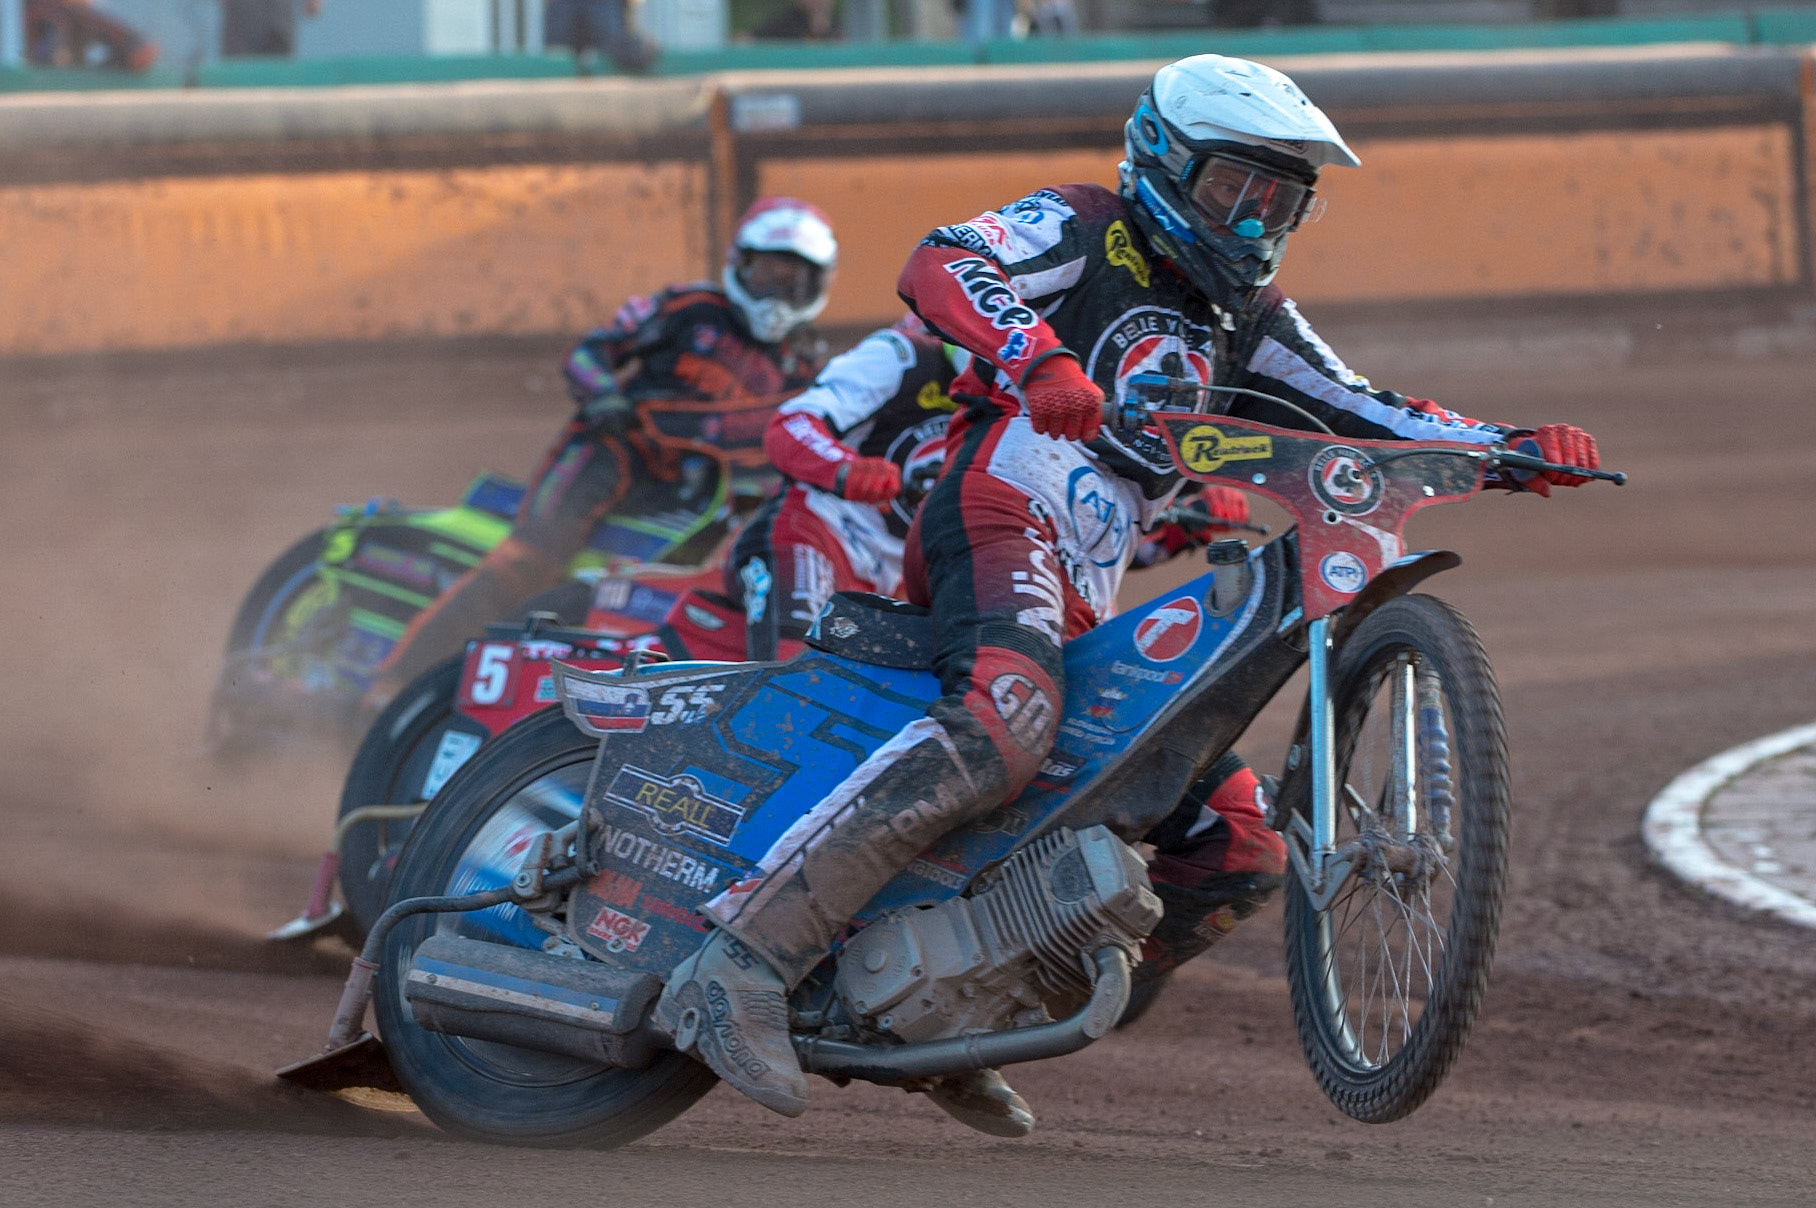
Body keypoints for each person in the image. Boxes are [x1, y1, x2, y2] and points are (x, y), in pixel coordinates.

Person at [653, 54, 1602, 1133]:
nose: (1252, 220)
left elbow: (1357, 405)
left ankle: (973, 1009)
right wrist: (1039, 353)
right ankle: (736, 960)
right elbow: (943, 261)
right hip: (1000, 500)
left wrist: (1508, 445)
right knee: (1008, 719)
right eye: (1232, 189)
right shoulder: (1087, 222)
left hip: (1089, 575)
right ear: (1162, 160)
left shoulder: (1250, 316)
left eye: (1278, 200)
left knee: (1237, 842)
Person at [361, 198, 837, 713]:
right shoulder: (689, 308)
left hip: (695, 497)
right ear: (739, 263)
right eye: (768, 273)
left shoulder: (805, 364)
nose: (779, 292)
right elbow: (589, 353)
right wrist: (606, 397)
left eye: (795, 280)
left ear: (819, 286)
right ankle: (391, 684)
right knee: (530, 558)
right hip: (613, 452)